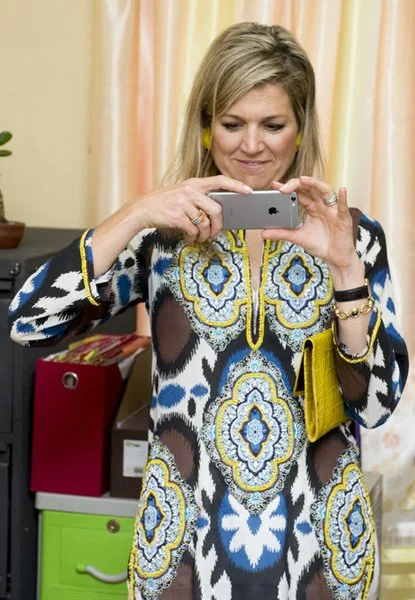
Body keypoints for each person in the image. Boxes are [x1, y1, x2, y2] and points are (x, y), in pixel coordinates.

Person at [9, 22, 408, 600]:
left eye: (273, 124)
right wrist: (138, 211)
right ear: (204, 125)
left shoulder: (353, 238)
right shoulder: (160, 239)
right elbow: (28, 322)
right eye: (231, 123)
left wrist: (346, 274)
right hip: (182, 559)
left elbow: (374, 408)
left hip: (321, 560)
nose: (252, 144)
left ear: (300, 131)